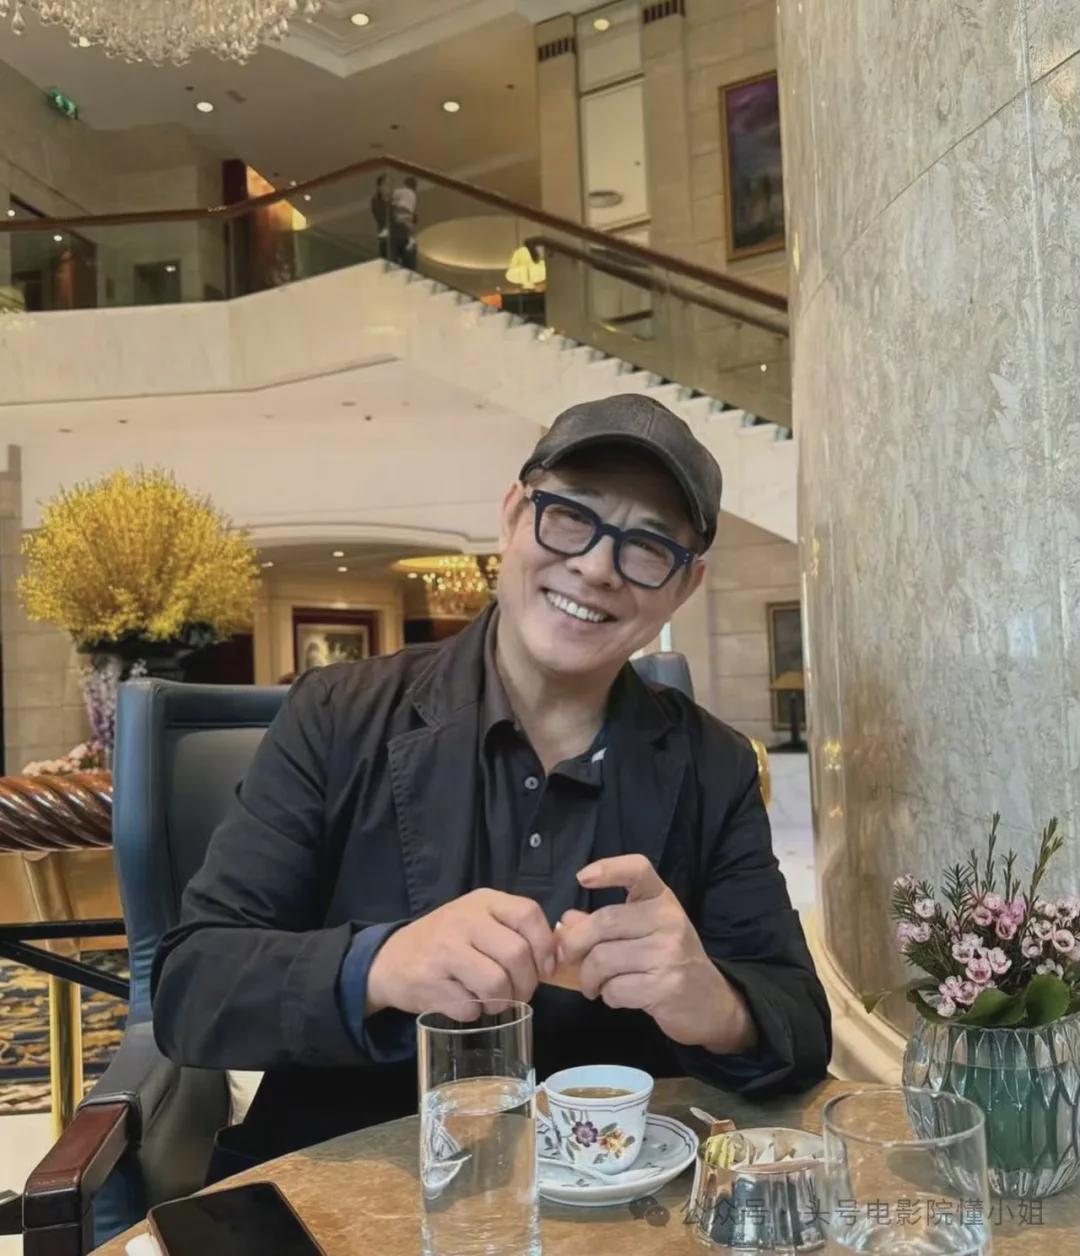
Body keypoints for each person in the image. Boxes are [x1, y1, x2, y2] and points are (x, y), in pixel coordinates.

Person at [152, 394, 831, 1172]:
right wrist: (381, 966)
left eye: (647, 548)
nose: (597, 567)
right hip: (353, 1189)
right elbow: (193, 987)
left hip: (614, 1197)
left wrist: (716, 1004)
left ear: (684, 585)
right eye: (570, 517)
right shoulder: (338, 715)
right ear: (513, 515)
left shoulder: (713, 764)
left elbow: (801, 1024)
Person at [389, 175, 418, 270]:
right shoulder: (413, 195)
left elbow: (392, 201)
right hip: (406, 226)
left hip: (398, 224)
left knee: (394, 250)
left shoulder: (400, 191)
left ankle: (394, 266)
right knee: (408, 251)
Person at [369, 174, 390, 260]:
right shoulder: (376, 201)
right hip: (385, 234)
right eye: (386, 184)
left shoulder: (392, 199)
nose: (388, 187)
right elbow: (380, 218)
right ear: (379, 186)